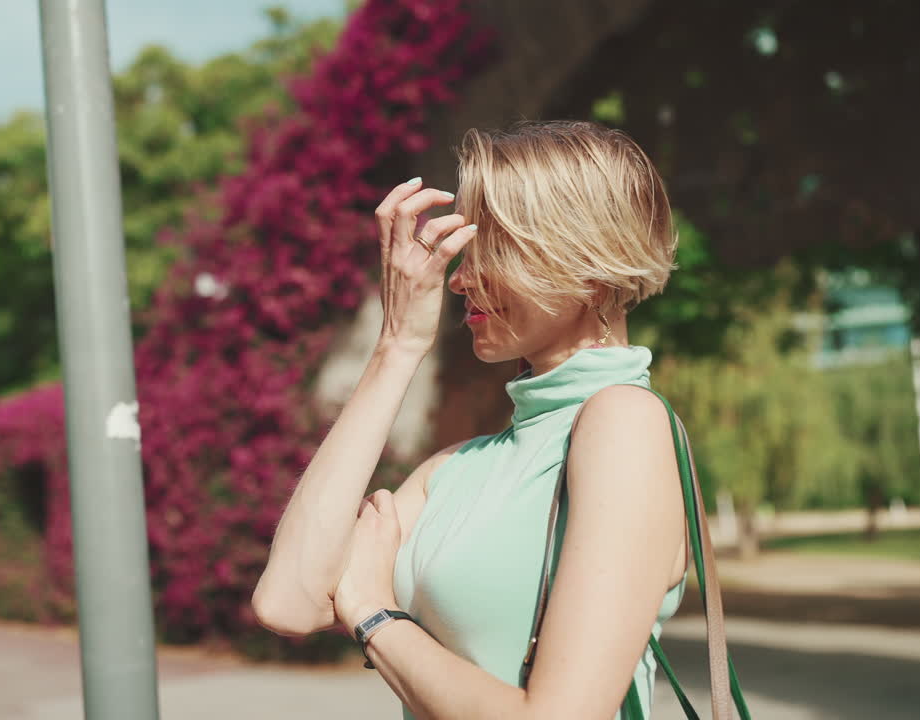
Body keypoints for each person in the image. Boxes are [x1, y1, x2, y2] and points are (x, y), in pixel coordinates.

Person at [253, 120, 687, 719]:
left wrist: (375, 616)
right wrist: (397, 345)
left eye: (495, 249)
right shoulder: (455, 470)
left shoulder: (625, 424)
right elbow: (289, 601)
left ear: (588, 261)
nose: (459, 279)